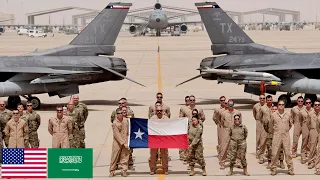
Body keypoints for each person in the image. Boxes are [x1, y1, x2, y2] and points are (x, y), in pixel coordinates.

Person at [269, 100, 294, 176]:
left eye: (282, 104)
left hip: (286, 135)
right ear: (277, 105)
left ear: (284, 106)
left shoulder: (288, 114)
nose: (281, 106)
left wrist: (285, 130)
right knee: (274, 153)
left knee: (288, 153)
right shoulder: (273, 115)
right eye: (279, 104)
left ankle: (290, 169)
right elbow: (271, 126)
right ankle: (273, 169)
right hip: (277, 135)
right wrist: (277, 131)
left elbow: (290, 124)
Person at [219, 99, 241, 169]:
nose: (230, 106)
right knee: (224, 147)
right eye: (229, 105)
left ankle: (238, 161)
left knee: (237, 146)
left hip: (235, 130)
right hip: (227, 130)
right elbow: (222, 121)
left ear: (233, 105)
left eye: (232, 105)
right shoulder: (224, 113)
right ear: (227, 105)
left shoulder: (238, 112)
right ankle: (222, 162)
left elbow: (240, 122)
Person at [109, 109, 130, 177]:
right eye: (118, 113)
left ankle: (124, 171)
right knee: (114, 157)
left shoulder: (126, 120)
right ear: (116, 114)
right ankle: (112, 171)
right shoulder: (115, 123)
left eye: (121, 113)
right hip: (117, 142)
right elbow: (117, 135)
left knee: (125, 157)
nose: (120, 114)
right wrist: (123, 143)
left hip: (126, 140)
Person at [263, 102, 285, 169]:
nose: (274, 111)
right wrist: (270, 132)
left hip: (278, 135)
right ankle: (270, 162)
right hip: (270, 136)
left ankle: (281, 161)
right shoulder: (267, 119)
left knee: (280, 148)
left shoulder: (279, 118)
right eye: (273, 109)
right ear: (271, 110)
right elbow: (265, 126)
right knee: (270, 149)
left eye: (275, 109)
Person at [149, 106, 169, 175]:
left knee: (164, 155)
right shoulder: (152, 118)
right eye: (158, 111)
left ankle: (165, 169)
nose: (159, 112)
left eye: (160, 111)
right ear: (155, 111)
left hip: (163, 139)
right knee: (153, 155)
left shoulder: (166, 118)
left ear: (163, 111)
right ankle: (152, 169)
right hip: (154, 139)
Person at [258, 95, 275, 165]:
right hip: (264, 128)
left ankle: (271, 157)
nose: (269, 101)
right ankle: (261, 156)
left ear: (272, 100)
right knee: (262, 142)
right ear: (266, 101)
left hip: (272, 128)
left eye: (270, 100)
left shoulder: (274, 107)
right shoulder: (262, 108)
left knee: (272, 143)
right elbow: (259, 117)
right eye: (268, 100)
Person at [307, 100, 320, 169]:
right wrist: (312, 130)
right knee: (312, 147)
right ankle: (311, 162)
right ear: (313, 106)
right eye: (315, 105)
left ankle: (318, 163)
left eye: (318, 105)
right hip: (313, 131)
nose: (317, 106)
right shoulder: (310, 114)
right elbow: (308, 123)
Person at [300, 98, 313, 164]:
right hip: (305, 126)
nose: (308, 104)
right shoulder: (302, 111)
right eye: (306, 103)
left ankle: (308, 154)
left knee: (310, 141)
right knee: (304, 141)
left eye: (309, 103)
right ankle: (303, 155)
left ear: (311, 103)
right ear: (305, 104)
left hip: (311, 127)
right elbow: (300, 120)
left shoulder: (313, 110)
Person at [122, 106, 135, 171]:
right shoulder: (119, 118)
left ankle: (129, 165)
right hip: (121, 138)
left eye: (125, 111)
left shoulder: (130, 119)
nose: (124, 112)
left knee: (129, 152)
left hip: (128, 137)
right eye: (123, 111)